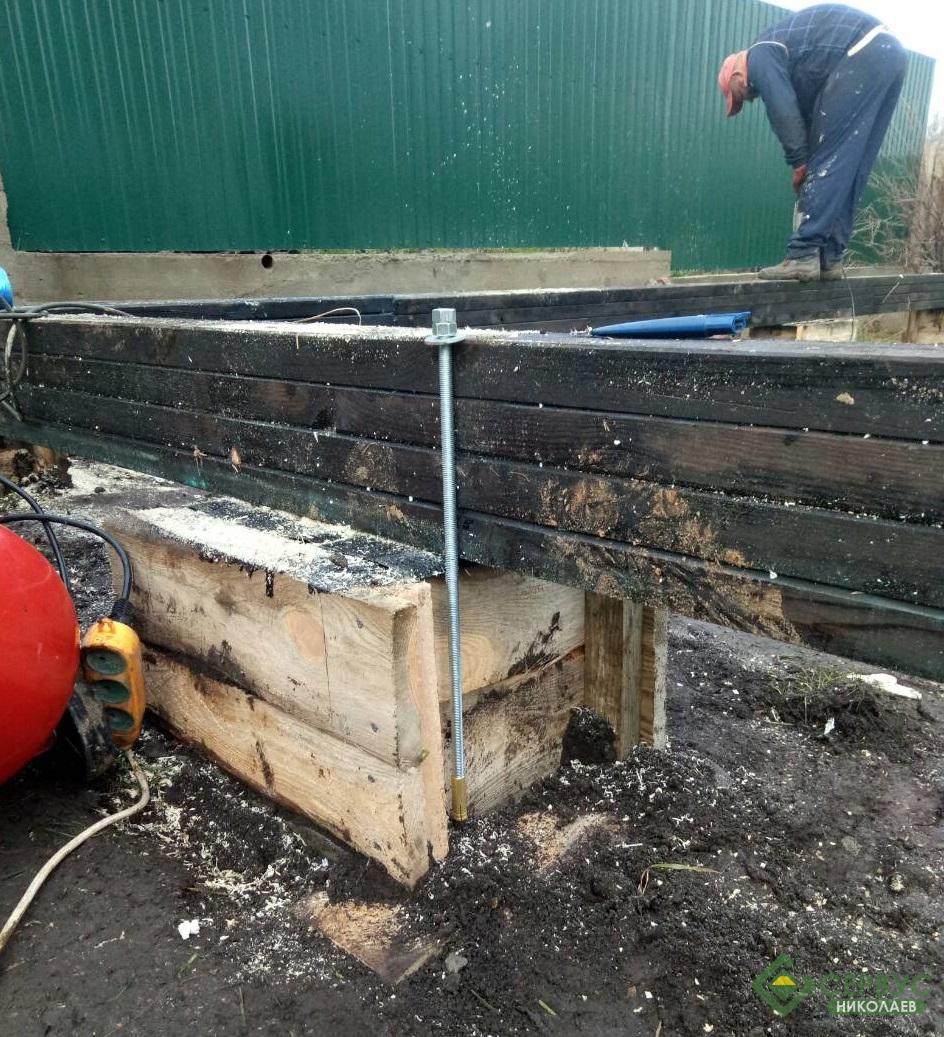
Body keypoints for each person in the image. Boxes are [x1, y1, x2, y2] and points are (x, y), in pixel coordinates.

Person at [718, 4, 908, 281]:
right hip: (889, 54)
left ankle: (804, 253)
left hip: (862, 49)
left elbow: (783, 110)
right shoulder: (798, 62)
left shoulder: (759, 54)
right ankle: (830, 257)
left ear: (737, 75)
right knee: (852, 164)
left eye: (740, 96)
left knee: (828, 160)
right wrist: (806, 160)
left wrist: (800, 163)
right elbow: (809, 119)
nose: (749, 99)